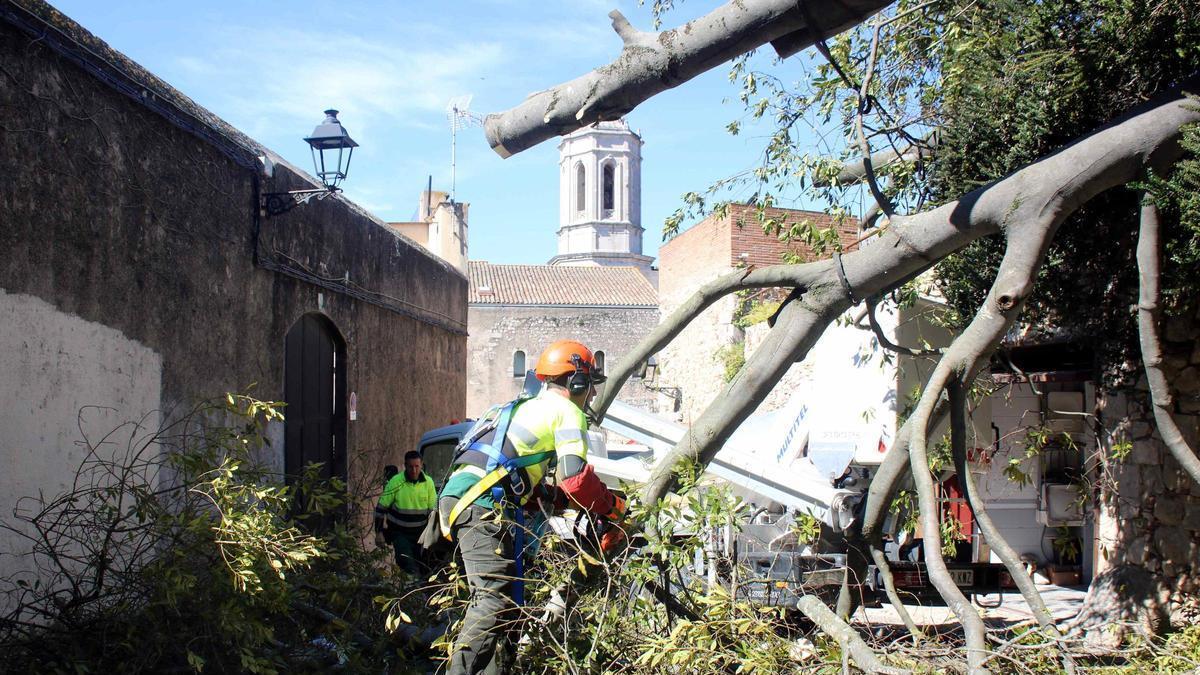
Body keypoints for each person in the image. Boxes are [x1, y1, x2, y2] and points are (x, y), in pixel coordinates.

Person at [438, 339, 626, 675]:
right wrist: (612, 507)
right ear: (576, 382)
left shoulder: (526, 406)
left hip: (472, 495)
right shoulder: (567, 411)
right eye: (591, 387)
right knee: (494, 599)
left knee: (510, 604)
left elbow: (527, 477)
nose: (593, 395)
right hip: (482, 501)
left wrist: (558, 499)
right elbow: (576, 479)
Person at [374, 451, 437, 574]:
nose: (414, 470)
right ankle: (412, 591)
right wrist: (379, 532)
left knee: (425, 568)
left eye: (417, 466)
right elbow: (381, 508)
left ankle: (420, 591)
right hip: (400, 534)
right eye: (410, 467)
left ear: (421, 465)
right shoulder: (396, 482)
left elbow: (433, 511)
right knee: (407, 565)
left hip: (421, 534)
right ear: (405, 466)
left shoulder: (428, 482)